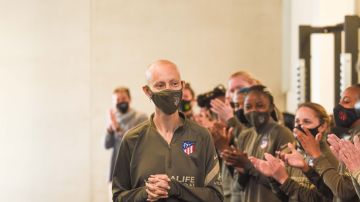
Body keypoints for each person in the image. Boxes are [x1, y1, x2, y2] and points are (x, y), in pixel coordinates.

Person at [112, 59, 223, 202]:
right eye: (160, 85)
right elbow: (118, 197)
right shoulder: (132, 139)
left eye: (174, 84)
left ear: (182, 86)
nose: (169, 89)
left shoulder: (201, 136)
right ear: (147, 91)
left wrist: (176, 189)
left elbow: (216, 197)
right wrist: (145, 193)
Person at [251, 102, 338, 201]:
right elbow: (286, 197)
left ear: (322, 126)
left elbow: (320, 198)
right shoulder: (292, 153)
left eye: (307, 122)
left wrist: (284, 180)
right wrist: (274, 177)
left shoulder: (330, 157)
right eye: (297, 122)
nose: (300, 126)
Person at [221, 85, 295, 202]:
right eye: (248, 107)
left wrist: (249, 166)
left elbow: (286, 182)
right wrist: (240, 168)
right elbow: (237, 186)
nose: (253, 110)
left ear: (271, 107)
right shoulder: (245, 135)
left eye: (259, 106)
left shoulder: (282, 133)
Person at [104, 87, 147, 200]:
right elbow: (106, 145)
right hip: (115, 172)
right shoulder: (113, 119)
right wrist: (109, 129)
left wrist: (117, 128)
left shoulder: (140, 118)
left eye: (123, 98)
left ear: (130, 99)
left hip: (135, 172)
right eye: (117, 100)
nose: (121, 102)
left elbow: (135, 143)